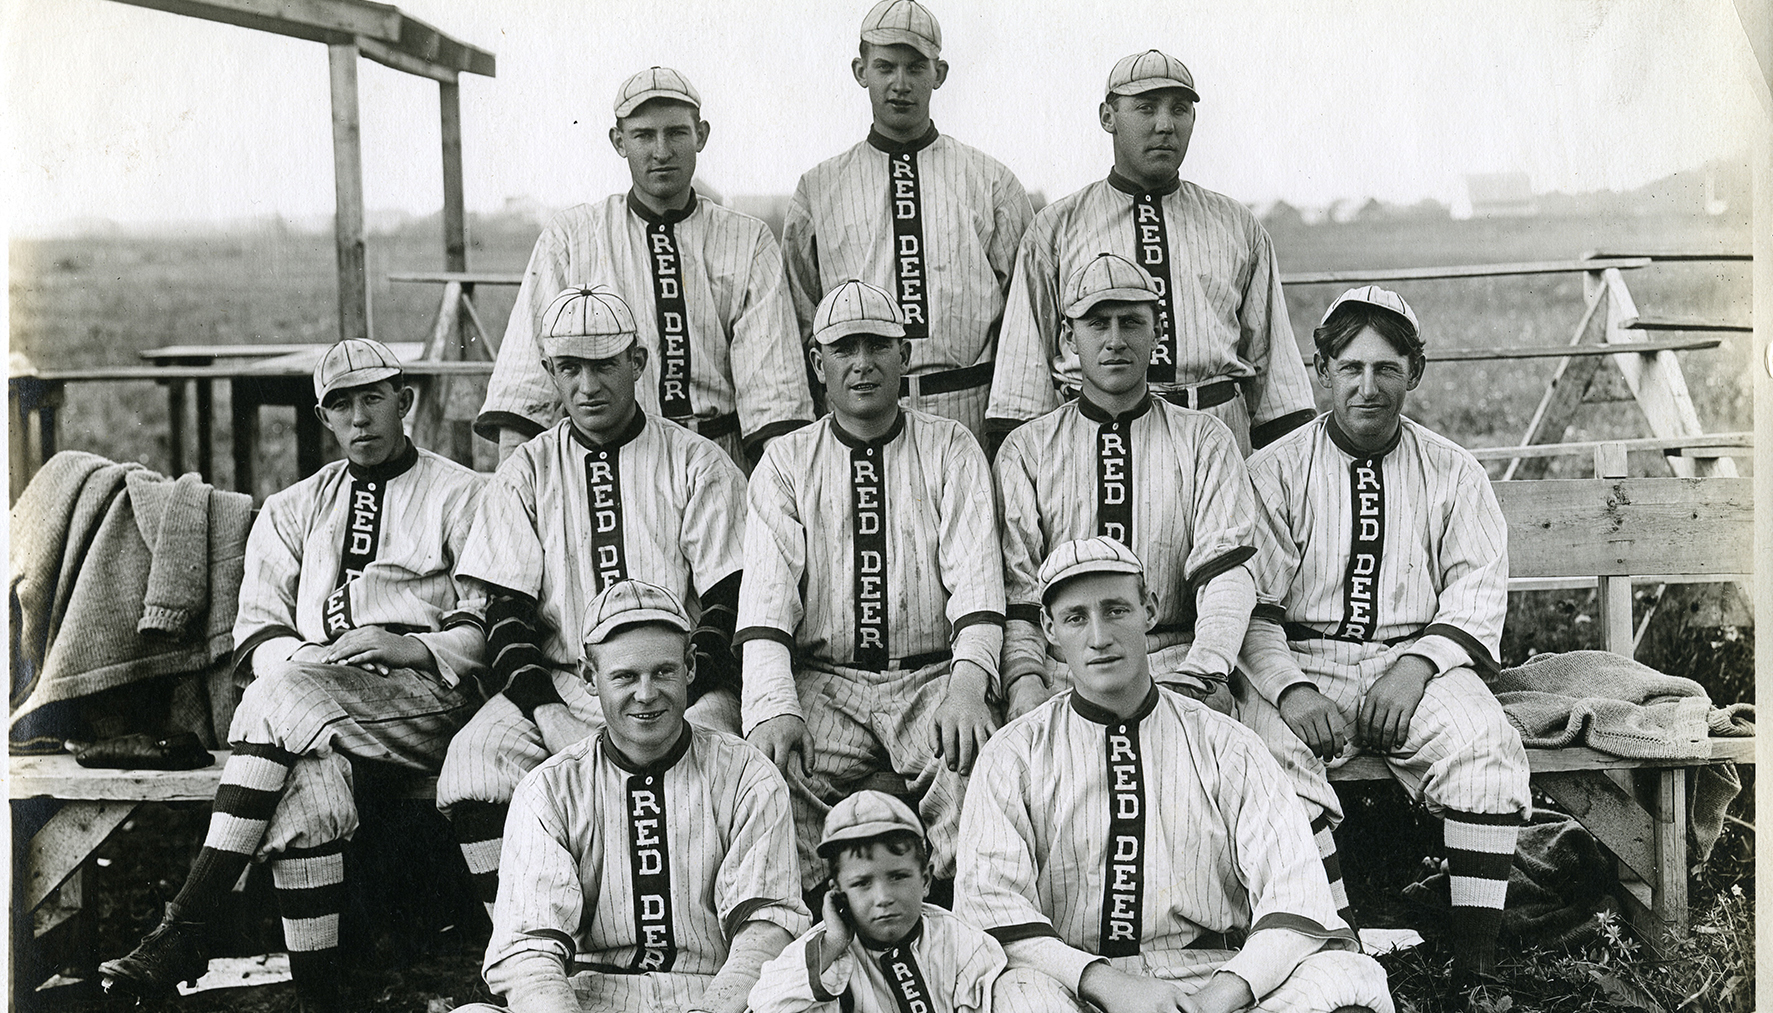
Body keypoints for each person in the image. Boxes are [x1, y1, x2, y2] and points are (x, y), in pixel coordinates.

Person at [100, 340, 487, 1012]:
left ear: (406, 402)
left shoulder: (464, 495)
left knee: (279, 705)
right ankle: (322, 997)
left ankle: (189, 920)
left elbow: (483, 630)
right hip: (312, 711)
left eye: (372, 397)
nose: (360, 416)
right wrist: (309, 669)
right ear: (323, 417)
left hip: (426, 706)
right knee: (307, 783)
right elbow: (259, 631)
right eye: (342, 403)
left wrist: (407, 648)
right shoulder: (293, 507)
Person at [994, 251, 1346, 921]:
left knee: (1277, 754)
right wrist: (1023, 682)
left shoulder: (1203, 438)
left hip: (1178, 653)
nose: (1115, 339)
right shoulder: (1027, 450)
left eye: (1132, 321)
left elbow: (1226, 575)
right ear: (1068, 339)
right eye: (1096, 323)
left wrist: (1203, 670)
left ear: (1157, 332)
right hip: (1067, 660)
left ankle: (1327, 932)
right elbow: (1016, 598)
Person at [957, 537, 1394, 1013]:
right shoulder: (1014, 753)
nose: (1099, 636)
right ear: (1049, 628)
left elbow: (1296, 895)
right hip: (1078, 986)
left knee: (1347, 975)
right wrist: (1105, 983)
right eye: (1076, 617)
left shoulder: (1228, 744)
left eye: (1116, 610)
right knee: (1013, 995)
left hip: (1212, 978)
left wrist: (1220, 996)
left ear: (1149, 609)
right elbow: (990, 906)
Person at [1240, 286, 1528, 998]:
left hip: (1418, 657)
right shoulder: (1274, 470)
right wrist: (1289, 687)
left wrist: (1415, 665)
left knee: (1482, 742)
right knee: (1271, 757)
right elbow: (1247, 606)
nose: (1367, 387)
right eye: (1350, 368)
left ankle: (1476, 970)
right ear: (1321, 370)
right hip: (1302, 656)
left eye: (1386, 368)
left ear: (1413, 372)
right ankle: (1341, 955)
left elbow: (1475, 588)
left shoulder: (1451, 469)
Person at [438, 285, 749, 921]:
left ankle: (693, 944)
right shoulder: (526, 469)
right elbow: (506, 617)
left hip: (678, 682)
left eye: (605, 364)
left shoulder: (697, 462)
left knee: (712, 766)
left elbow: (727, 606)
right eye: (569, 368)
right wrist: (546, 710)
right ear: (549, 371)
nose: (588, 385)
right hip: (561, 682)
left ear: (638, 362)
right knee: (475, 763)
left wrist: (678, 692)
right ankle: (522, 945)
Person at [739, 279, 1004, 895]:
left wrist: (969, 684)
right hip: (826, 682)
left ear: (905, 355)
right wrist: (776, 705)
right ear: (817, 363)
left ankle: (952, 944)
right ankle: (817, 950)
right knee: (770, 781)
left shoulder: (951, 448)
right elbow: (767, 607)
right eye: (844, 348)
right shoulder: (785, 461)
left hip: (929, 677)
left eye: (879, 346)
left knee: (972, 769)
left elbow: (976, 586)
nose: (862, 363)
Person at [452, 579, 809, 1013]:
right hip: (590, 998)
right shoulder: (549, 788)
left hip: (718, 996)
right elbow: (530, 954)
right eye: (624, 676)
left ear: (691, 667)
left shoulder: (748, 775)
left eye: (663, 671)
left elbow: (765, 931)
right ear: (588, 676)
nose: (646, 693)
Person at [476, 65, 813, 469]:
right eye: (643, 135)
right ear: (619, 141)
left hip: (720, 453)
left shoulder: (748, 240)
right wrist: (512, 489)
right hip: (610, 459)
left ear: (701, 135)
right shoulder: (572, 237)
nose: (661, 151)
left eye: (676, 133)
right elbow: (526, 383)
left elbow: (774, 395)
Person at [986, 49, 1315, 458]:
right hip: (1093, 442)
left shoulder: (1235, 224)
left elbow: (1275, 369)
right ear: (1108, 117)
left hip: (1216, 435)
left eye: (1179, 109)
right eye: (1145, 108)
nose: (1165, 125)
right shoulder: (1057, 226)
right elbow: (1023, 372)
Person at [782, 0, 1033, 439]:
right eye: (885, 67)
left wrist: (1009, 425)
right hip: (857, 416)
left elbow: (1025, 318)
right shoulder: (818, 189)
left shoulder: (991, 182)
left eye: (916, 67)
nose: (900, 83)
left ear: (940, 73)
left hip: (968, 408)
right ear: (861, 71)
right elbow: (800, 318)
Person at [750, 790, 1007, 1012]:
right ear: (838, 892)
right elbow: (765, 1004)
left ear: (926, 880)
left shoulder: (961, 942)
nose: (883, 898)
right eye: (862, 884)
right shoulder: (826, 949)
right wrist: (833, 944)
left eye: (898, 877)